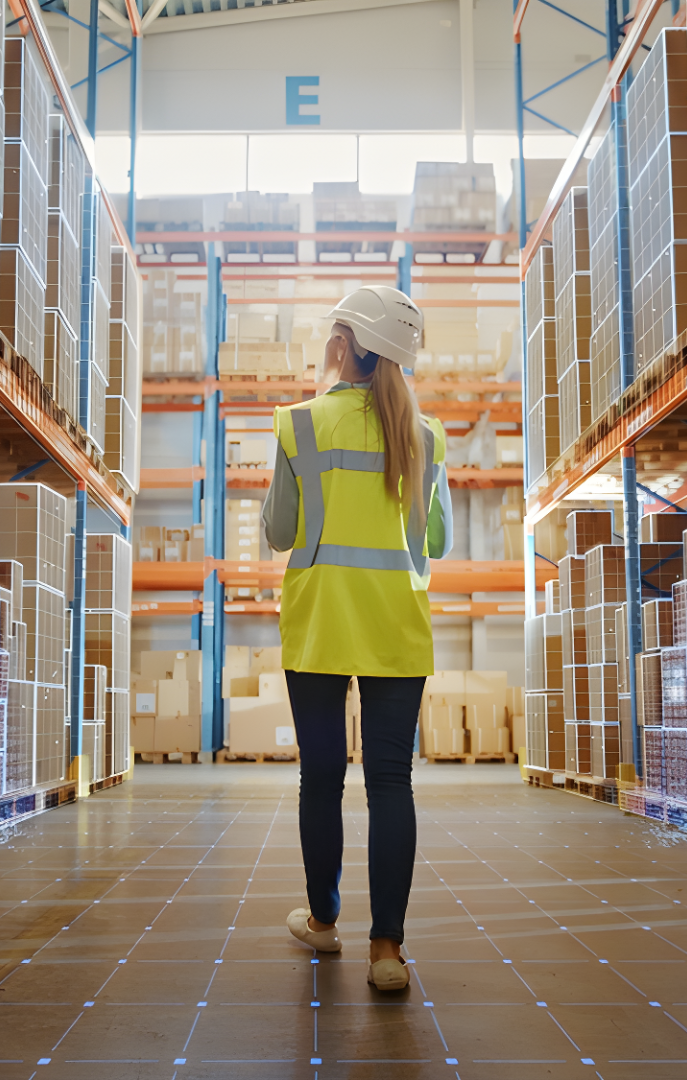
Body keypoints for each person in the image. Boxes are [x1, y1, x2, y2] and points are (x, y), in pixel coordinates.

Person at [259, 285, 450, 992]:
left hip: (319, 625)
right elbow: (436, 539)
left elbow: (280, 533)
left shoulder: (300, 425)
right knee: (391, 783)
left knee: (322, 779)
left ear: (346, 345)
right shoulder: (423, 437)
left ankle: (323, 921)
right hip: (397, 627)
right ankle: (388, 953)